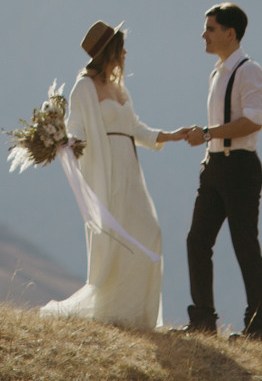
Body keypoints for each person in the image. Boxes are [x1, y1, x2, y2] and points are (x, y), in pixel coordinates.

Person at [40, 20, 192, 331]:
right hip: (107, 170)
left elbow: (135, 128)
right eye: (120, 48)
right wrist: (67, 141)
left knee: (150, 232)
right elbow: (77, 125)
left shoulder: (120, 87)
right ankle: (116, 309)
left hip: (130, 170)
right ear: (109, 52)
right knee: (118, 237)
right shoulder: (84, 86)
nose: (125, 53)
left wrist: (171, 135)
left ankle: (137, 312)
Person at [178, 2, 262, 340]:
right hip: (214, 165)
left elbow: (252, 121)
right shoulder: (218, 71)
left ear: (230, 33)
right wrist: (207, 139)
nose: (204, 34)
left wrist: (208, 133)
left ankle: (254, 329)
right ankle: (202, 320)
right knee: (197, 241)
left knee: (245, 247)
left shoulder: (249, 70)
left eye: (211, 29)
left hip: (240, 168)